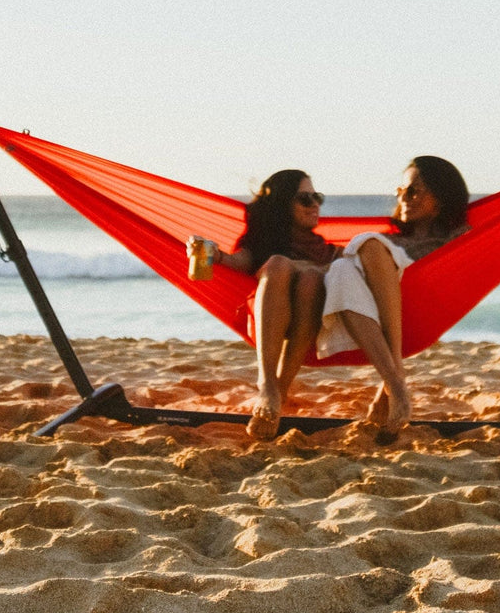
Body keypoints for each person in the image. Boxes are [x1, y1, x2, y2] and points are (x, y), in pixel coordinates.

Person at [316, 156, 469, 440]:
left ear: (442, 197)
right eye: (401, 191)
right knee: (341, 266)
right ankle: (395, 383)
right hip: (374, 311)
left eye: (414, 190)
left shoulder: (457, 238)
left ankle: (392, 386)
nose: (405, 198)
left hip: (414, 299)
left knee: (368, 245)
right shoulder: (392, 240)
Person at [188, 170, 339, 440]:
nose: (315, 204)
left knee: (312, 280)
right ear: (283, 204)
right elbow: (237, 261)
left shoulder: (326, 250)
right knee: (278, 264)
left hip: (310, 323)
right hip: (266, 318)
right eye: (305, 198)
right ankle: (268, 385)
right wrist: (211, 252)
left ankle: (280, 390)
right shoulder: (263, 243)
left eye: (317, 197)